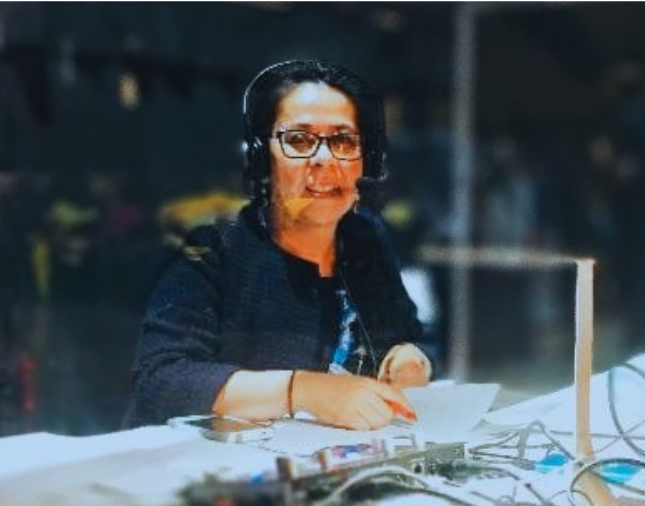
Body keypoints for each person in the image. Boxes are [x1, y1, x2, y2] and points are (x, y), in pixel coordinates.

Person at [124, 60, 432, 430]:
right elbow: (161, 381)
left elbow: (410, 336)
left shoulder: (364, 238)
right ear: (261, 157)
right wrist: (304, 390)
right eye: (299, 140)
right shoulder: (214, 248)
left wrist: (410, 358)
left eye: (343, 140)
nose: (324, 159)